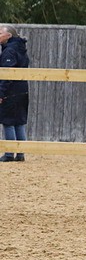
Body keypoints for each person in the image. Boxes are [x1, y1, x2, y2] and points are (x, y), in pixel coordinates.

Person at [0, 25, 30, 162]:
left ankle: (9, 153)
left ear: (9, 35)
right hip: (22, 89)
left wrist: (1, 93)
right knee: (19, 121)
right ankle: (20, 153)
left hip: (11, 91)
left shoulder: (9, 51)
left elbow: (7, 75)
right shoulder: (20, 48)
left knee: (8, 121)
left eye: (0, 33)